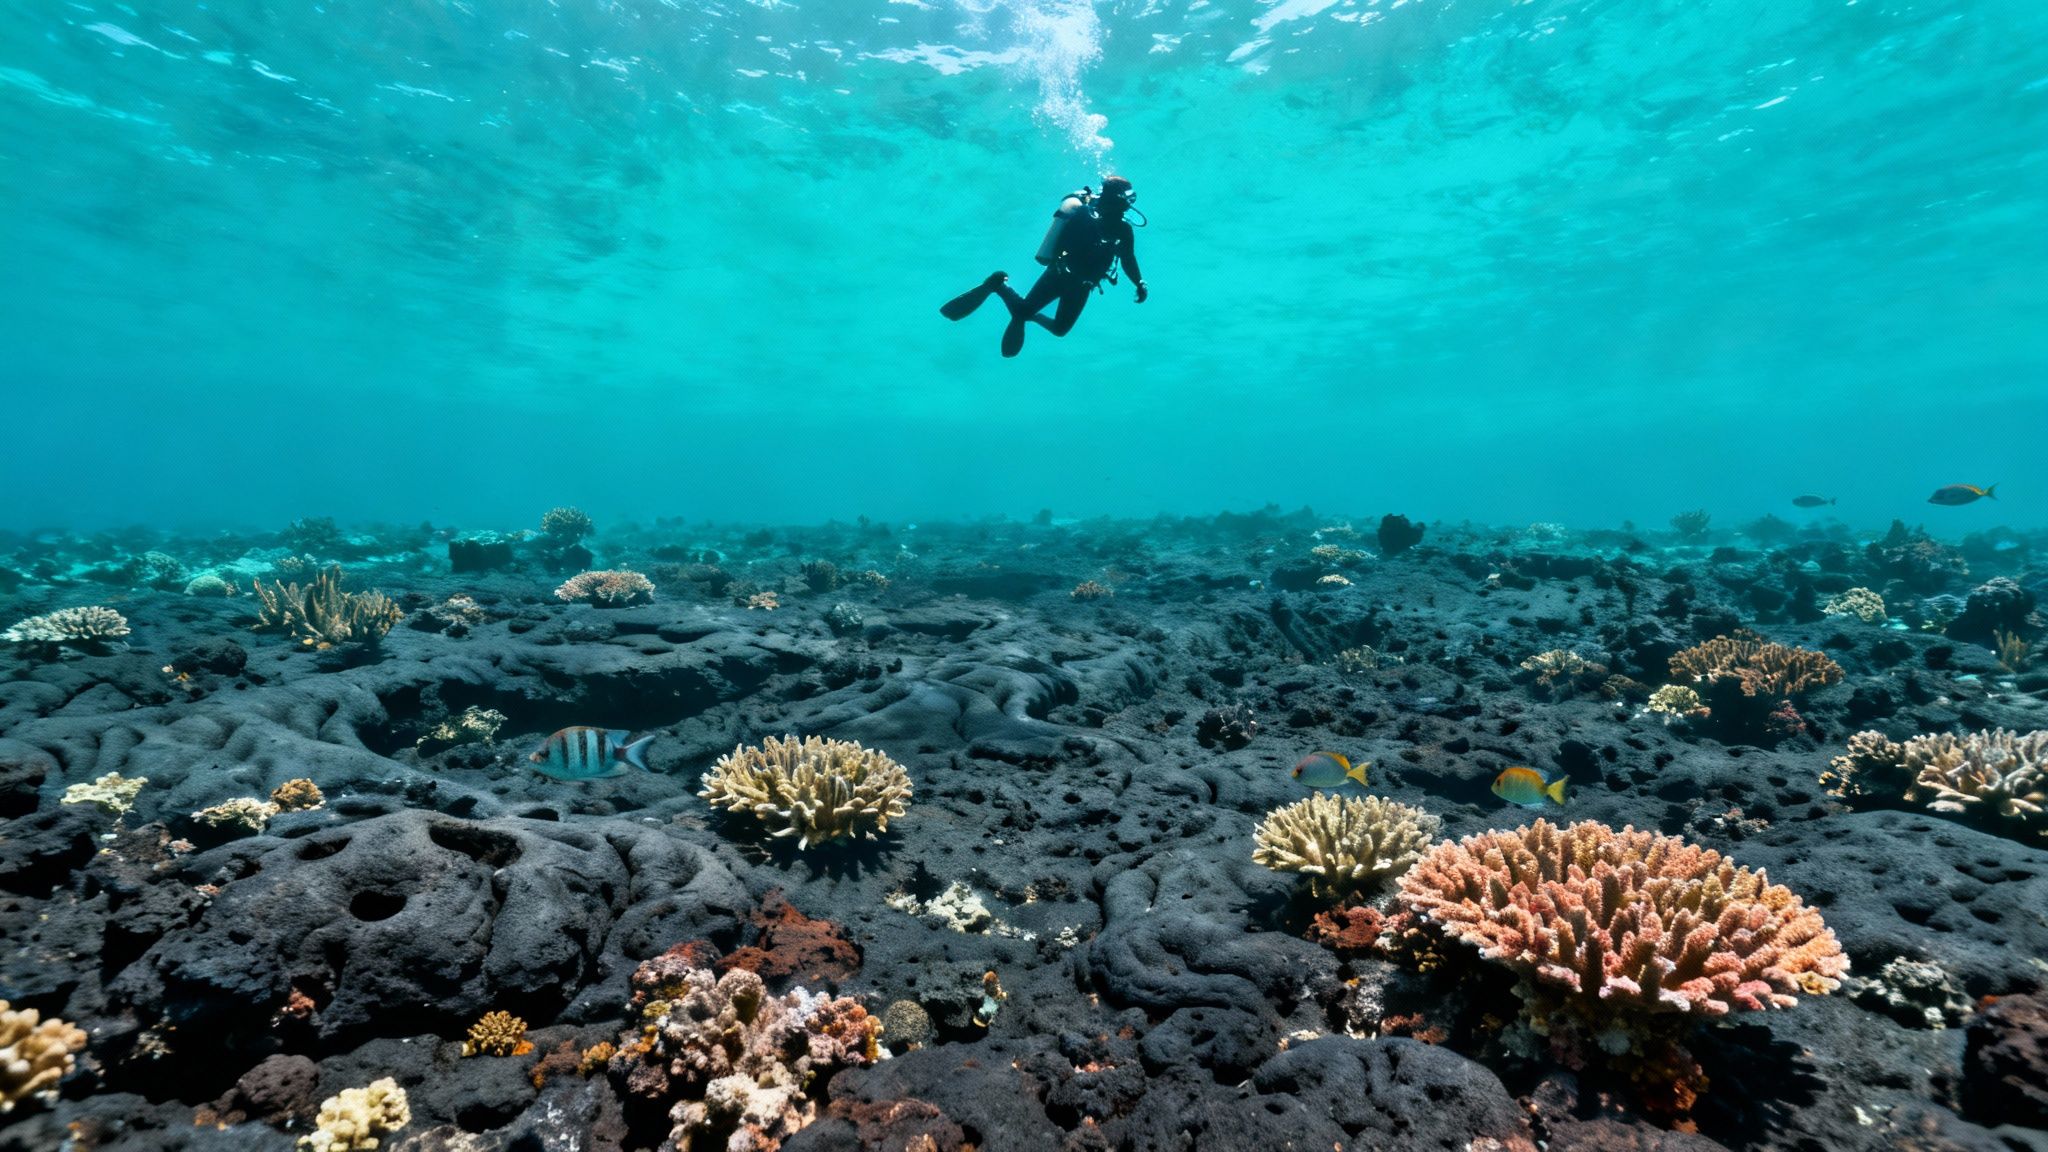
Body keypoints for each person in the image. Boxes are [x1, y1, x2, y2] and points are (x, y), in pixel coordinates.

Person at [941, 175, 1147, 358]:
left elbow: (1128, 258)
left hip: (1080, 285)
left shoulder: (1121, 228)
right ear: (1116, 199)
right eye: (1127, 198)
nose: (1130, 204)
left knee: (1058, 329)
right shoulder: (1087, 216)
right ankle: (999, 287)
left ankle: (1008, 296)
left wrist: (1138, 281)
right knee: (1026, 315)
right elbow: (1062, 244)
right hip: (1059, 276)